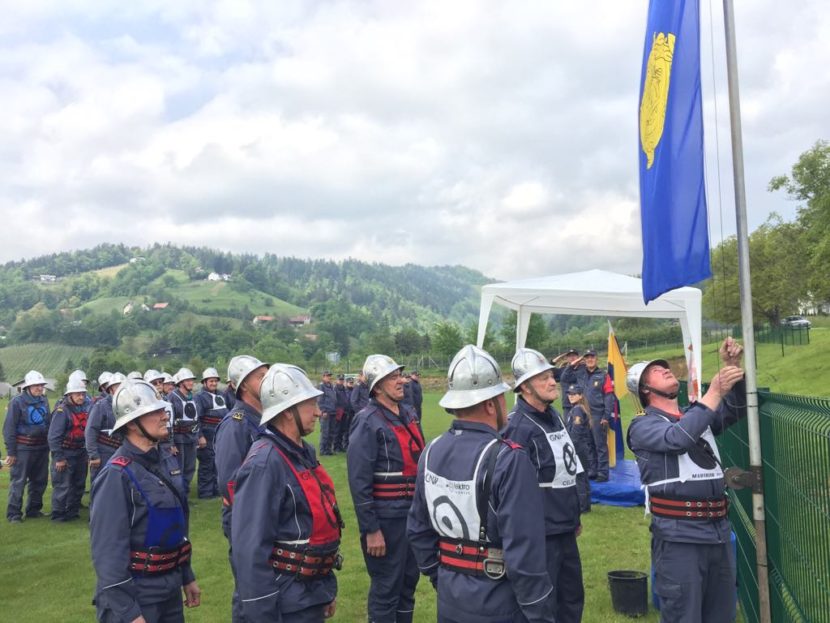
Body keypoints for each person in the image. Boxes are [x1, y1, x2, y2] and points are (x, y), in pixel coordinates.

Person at [407, 345, 555, 623]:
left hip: (450, 598)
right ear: (490, 404)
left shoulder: (431, 451)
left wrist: (440, 576)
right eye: (502, 397)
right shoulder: (509, 458)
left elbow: (417, 529)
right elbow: (525, 553)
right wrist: (539, 612)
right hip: (500, 601)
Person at [626, 338, 747, 623]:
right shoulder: (642, 425)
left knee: (722, 615)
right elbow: (677, 439)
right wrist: (713, 392)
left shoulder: (694, 415)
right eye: (654, 371)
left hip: (718, 532)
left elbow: (736, 408)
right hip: (679, 538)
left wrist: (733, 368)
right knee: (684, 615)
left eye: (664, 367)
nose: (665, 369)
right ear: (645, 390)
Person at [232, 364, 343, 621]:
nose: (318, 412)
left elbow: (307, 527)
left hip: (309, 593)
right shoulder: (264, 463)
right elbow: (250, 549)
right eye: (310, 404)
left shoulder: (303, 452)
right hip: (285, 600)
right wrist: (262, 613)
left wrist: (324, 591)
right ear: (287, 412)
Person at [89, 380, 201, 622]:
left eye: (162, 410)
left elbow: (176, 528)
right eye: (154, 412)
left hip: (169, 588)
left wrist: (186, 575)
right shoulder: (116, 475)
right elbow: (108, 551)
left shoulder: (166, 460)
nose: (165, 416)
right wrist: (129, 612)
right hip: (136, 595)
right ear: (131, 423)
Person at [502, 348, 584, 623]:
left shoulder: (554, 415)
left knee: (571, 600)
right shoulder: (517, 427)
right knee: (543, 606)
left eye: (552, 376)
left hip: (565, 527)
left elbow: (566, 468)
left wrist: (574, 515)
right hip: (540, 535)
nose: (552, 382)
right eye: (543, 378)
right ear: (525, 387)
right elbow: (514, 490)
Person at [347, 354, 423, 623]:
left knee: (408, 585)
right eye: (392, 377)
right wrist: (371, 529)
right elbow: (359, 480)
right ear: (377, 386)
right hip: (386, 521)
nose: (401, 381)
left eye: (399, 375)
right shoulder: (366, 421)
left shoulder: (408, 414)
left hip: (411, 516)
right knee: (386, 588)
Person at [214, 354, 269, 623]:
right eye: (260, 376)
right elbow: (230, 483)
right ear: (243, 385)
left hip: (265, 514)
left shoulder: (265, 418)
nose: (267, 380)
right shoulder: (236, 424)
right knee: (249, 592)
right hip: (245, 518)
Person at [4, 370, 51, 523]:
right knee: (19, 481)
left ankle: (33, 510)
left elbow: (48, 423)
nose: (40, 388)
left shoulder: (44, 400)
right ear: (28, 386)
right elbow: (9, 428)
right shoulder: (17, 402)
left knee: (40, 480)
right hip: (23, 448)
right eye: (36, 385)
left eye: (41, 385)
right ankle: (14, 514)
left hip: (42, 447)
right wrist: (11, 452)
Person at [48, 378, 91, 522]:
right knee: (62, 485)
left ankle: (73, 511)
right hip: (65, 452)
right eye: (78, 394)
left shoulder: (85, 408)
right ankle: (58, 514)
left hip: (81, 452)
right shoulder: (62, 411)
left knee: (79, 483)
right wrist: (59, 458)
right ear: (70, 395)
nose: (81, 397)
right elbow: (53, 437)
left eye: (83, 394)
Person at [575, 349, 615, 482]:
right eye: (587, 358)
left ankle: (603, 473)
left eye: (592, 357)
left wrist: (606, 416)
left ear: (596, 359)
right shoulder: (581, 374)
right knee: (589, 444)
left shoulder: (603, 375)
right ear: (584, 360)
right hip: (584, 414)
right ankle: (593, 470)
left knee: (600, 445)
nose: (589, 360)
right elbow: (565, 374)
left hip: (598, 415)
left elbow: (609, 396)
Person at [166, 367, 201, 495]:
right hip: (179, 439)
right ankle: (178, 496)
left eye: (192, 380)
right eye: (188, 380)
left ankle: (184, 494)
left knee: (190, 468)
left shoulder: (194, 397)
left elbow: (196, 419)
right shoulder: (172, 397)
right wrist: (171, 443)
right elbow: (168, 422)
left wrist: (198, 436)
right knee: (178, 469)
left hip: (191, 438)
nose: (191, 383)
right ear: (181, 383)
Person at [193, 367, 228, 499]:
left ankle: (216, 489)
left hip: (219, 434)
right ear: (204, 382)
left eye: (215, 381)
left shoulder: (221, 395)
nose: (214, 383)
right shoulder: (199, 397)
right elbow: (196, 418)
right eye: (211, 381)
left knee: (217, 463)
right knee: (207, 464)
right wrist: (200, 436)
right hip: (206, 435)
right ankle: (205, 493)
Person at [85, 372, 126, 483]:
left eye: (123, 386)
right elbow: (90, 430)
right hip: (104, 452)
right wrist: (94, 455)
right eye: (117, 386)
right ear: (110, 390)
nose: (121, 389)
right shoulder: (100, 406)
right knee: (101, 483)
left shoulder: (129, 406)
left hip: (123, 451)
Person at [564, 383, 596, 513]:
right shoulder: (579, 408)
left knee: (579, 478)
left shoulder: (577, 410)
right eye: (569, 394)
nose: (570, 396)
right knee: (583, 477)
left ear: (580, 395)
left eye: (574, 394)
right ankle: (586, 505)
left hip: (577, 448)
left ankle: (582, 507)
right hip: (582, 447)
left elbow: (575, 433)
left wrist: (571, 449)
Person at [551, 349, 582, 415]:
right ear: (567, 358)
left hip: (581, 404)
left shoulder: (584, 369)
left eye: (574, 355)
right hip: (567, 405)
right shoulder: (562, 371)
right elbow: (549, 371)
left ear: (578, 357)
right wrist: (556, 360)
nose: (572, 358)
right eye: (569, 356)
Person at [317, 371, 337, 456]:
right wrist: (323, 411)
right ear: (323, 377)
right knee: (325, 432)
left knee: (331, 432)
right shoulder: (322, 386)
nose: (329, 377)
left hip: (332, 412)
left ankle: (328, 449)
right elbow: (320, 400)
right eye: (327, 376)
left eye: (329, 376)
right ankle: (323, 450)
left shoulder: (331, 386)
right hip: (326, 413)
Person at [333, 374, 350, 453]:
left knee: (343, 430)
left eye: (342, 380)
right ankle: (336, 447)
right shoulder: (335, 389)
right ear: (337, 380)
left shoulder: (344, 389)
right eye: (340, 380)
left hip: (345, 411)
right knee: (337, 430)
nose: (341, 381)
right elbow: (334, 401)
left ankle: (340, 446)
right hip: (339, 411)